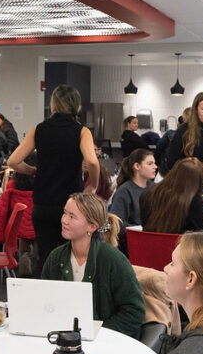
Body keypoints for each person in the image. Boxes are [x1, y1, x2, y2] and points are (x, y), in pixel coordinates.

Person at [8, 84, 99, 277]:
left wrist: (32, 170)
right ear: (77, 106)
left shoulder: (39, 129)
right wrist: (94, 185)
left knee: (46, 259)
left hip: (43, 204)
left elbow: (13, 161)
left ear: (53, 104)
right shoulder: (81, 131)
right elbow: (92, 161)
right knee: (71, 258)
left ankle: (46, 301)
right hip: (71, 206)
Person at [41, 193, 145, 338]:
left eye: (72, 216)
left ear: (92, 226)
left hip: (105, 344)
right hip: (64, 339)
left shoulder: (113, 260)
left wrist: (98, 333)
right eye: (65, 213)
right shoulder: (55, 258)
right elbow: (45, 301)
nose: (64, 220)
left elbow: (134, 312)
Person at [140, 157, 203, 234]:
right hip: (182, 245)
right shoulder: (194, 203)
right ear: (199, 180)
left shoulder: (147, 195)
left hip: (150, 244)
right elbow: (199, 239)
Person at [109, 148, 155, 254]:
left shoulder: (154, 188)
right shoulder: (124, 191)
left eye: (154, 163)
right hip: (131, 245)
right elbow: (116, 224)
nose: (155, 167)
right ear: (137, 166)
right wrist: (140, 229)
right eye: (150, 163)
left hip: (151, 240)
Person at [155, 111, 187, 177]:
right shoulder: (195, 136)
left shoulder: (169, 133)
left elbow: (159, 146)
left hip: (172, 166)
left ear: (178, 124)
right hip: (187, 167)